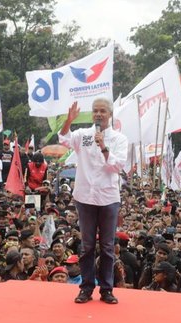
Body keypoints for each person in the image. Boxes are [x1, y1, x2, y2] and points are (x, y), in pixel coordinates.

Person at [59, 99, 128, 305]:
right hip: (85, 196)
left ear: (110, 114)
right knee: (87, 246)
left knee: (107, 246)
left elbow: (118, 166)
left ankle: (107, 289)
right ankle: (86, 288)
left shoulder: (119, 139)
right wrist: (68, 121)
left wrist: (104, 146)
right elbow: (63, 139)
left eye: (103, 111)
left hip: (108, 198)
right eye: (95, 111)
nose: (99, 114)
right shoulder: (82, 135)